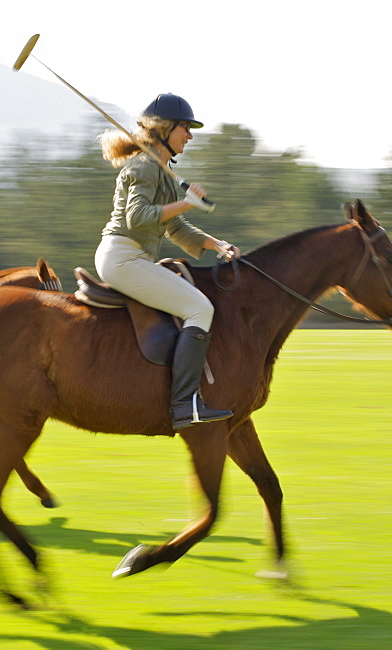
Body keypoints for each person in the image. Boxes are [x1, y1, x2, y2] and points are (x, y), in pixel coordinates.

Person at [95, 94, 239, 430]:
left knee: (197, 306)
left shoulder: (161, 171)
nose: (189, 135)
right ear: (164, 129)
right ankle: (184, 404)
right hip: (123, 256)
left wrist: (217, 244)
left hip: (131, 257)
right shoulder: (143, 166)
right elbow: (138, 217)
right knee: (200, 309)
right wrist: (188, 203)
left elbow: (174, 227)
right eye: (185, 128)